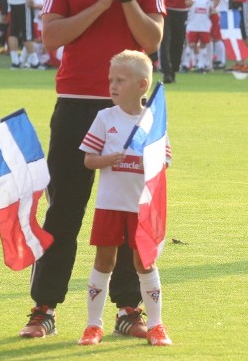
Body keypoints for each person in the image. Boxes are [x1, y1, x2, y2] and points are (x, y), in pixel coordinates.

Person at [19, 0, 165, 340]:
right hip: (77, 102)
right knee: (64, 206)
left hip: (131, 108)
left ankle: (128, 309)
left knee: (127, 208)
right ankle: (44, 307)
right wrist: (100, 1)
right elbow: (51, 37)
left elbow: (153, 40)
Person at [77, 50, 172, 346]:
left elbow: (165, 161)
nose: (113, 86)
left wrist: (150, 162)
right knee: (104, 261)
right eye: (111, 80)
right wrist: (107, 159)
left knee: (145, 263)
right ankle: (94, 325)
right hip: (110, 204)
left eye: (121, 80)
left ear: (143, 85)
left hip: (141, 207)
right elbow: (88, 160)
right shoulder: (105, 117)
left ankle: (156, 325)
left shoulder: (153, 120)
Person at [185, 0, 214, 72]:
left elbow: (211, 10)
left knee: (203, 45)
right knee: (191, 45)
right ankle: (189, 63)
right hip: (193, 25)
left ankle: (202, 65)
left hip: (204, 26)